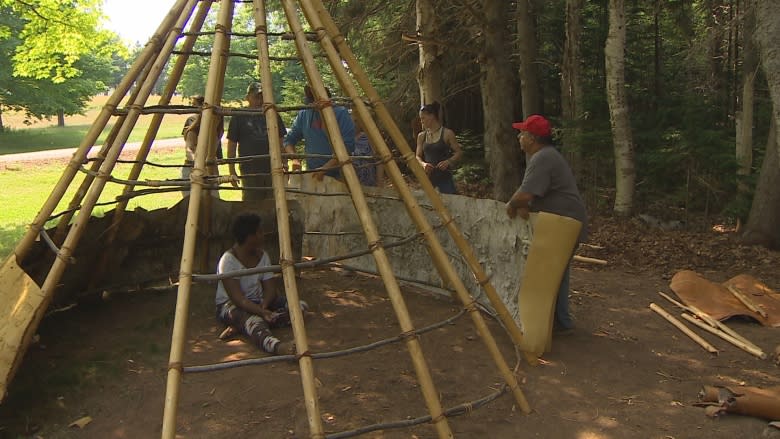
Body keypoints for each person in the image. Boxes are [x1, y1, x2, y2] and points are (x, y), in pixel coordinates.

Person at [505, 114, 588, 332]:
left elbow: (524, 195)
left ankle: (554, 323)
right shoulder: (544, 156)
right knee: (557, 271)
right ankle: (560, 321)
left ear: (532, 138)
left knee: (551, 272)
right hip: (563, 220)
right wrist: (521, 201)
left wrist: (512, 204)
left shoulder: (543, 158)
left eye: (522, 133)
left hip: (564, 222)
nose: (519, 137)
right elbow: (527, 191)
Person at [215, 212, 304, 355]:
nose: (263, 235)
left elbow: (270, 288)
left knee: (299, 307)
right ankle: (277, 347)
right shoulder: (228, 261)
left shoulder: (262, 256)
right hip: (231, 306)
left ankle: (243, 325)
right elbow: (239, 299)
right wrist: (262, 312)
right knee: (254, 322)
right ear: (250, 237)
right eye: (259, 232)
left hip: (259, 302)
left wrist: (264, 305)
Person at [227, 82, 287, 201]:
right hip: (249, 167)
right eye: (256, 97)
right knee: (251, 201)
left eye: (262, 97)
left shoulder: (273, 115)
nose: (259, 100)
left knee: (273, 201)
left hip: (271, 166)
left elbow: (281, 141)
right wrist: (231, 169)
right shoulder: (239, 116)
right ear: (248, 97)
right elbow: (232, 145)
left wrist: (284, 163)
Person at [284, 85, 355, 181]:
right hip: (313, 174)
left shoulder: (340, 113)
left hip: (341, 174)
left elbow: (347, 147)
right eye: (310, 97)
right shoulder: (305, 114)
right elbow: (289, 140)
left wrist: (325, 168)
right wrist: (294, 159)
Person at [415, 101, 462, 194]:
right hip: (428, 177)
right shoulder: (421, 136)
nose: (422, 121)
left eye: (423, 118)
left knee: (449, 203)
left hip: (444, 177)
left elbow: (459, 152)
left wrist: (448, 162)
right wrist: (423, 164)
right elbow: (417, 156)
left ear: (431, 116)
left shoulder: (447, 133)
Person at [181, 97, 224, 197]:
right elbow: (189, 148)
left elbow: (212, 149)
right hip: (193, 168)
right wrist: (199, 166)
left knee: (212, 202)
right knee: (192, 203)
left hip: (210, 168)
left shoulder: (218, 127)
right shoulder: (193, 121)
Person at [351, 112, 384, 187]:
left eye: (356, 121)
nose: (354, 123)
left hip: (368, 184)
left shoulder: (369, 138)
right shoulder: (344, 140)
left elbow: (379, 160)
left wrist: (379, 182)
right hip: (352, 183)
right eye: (352, 120)